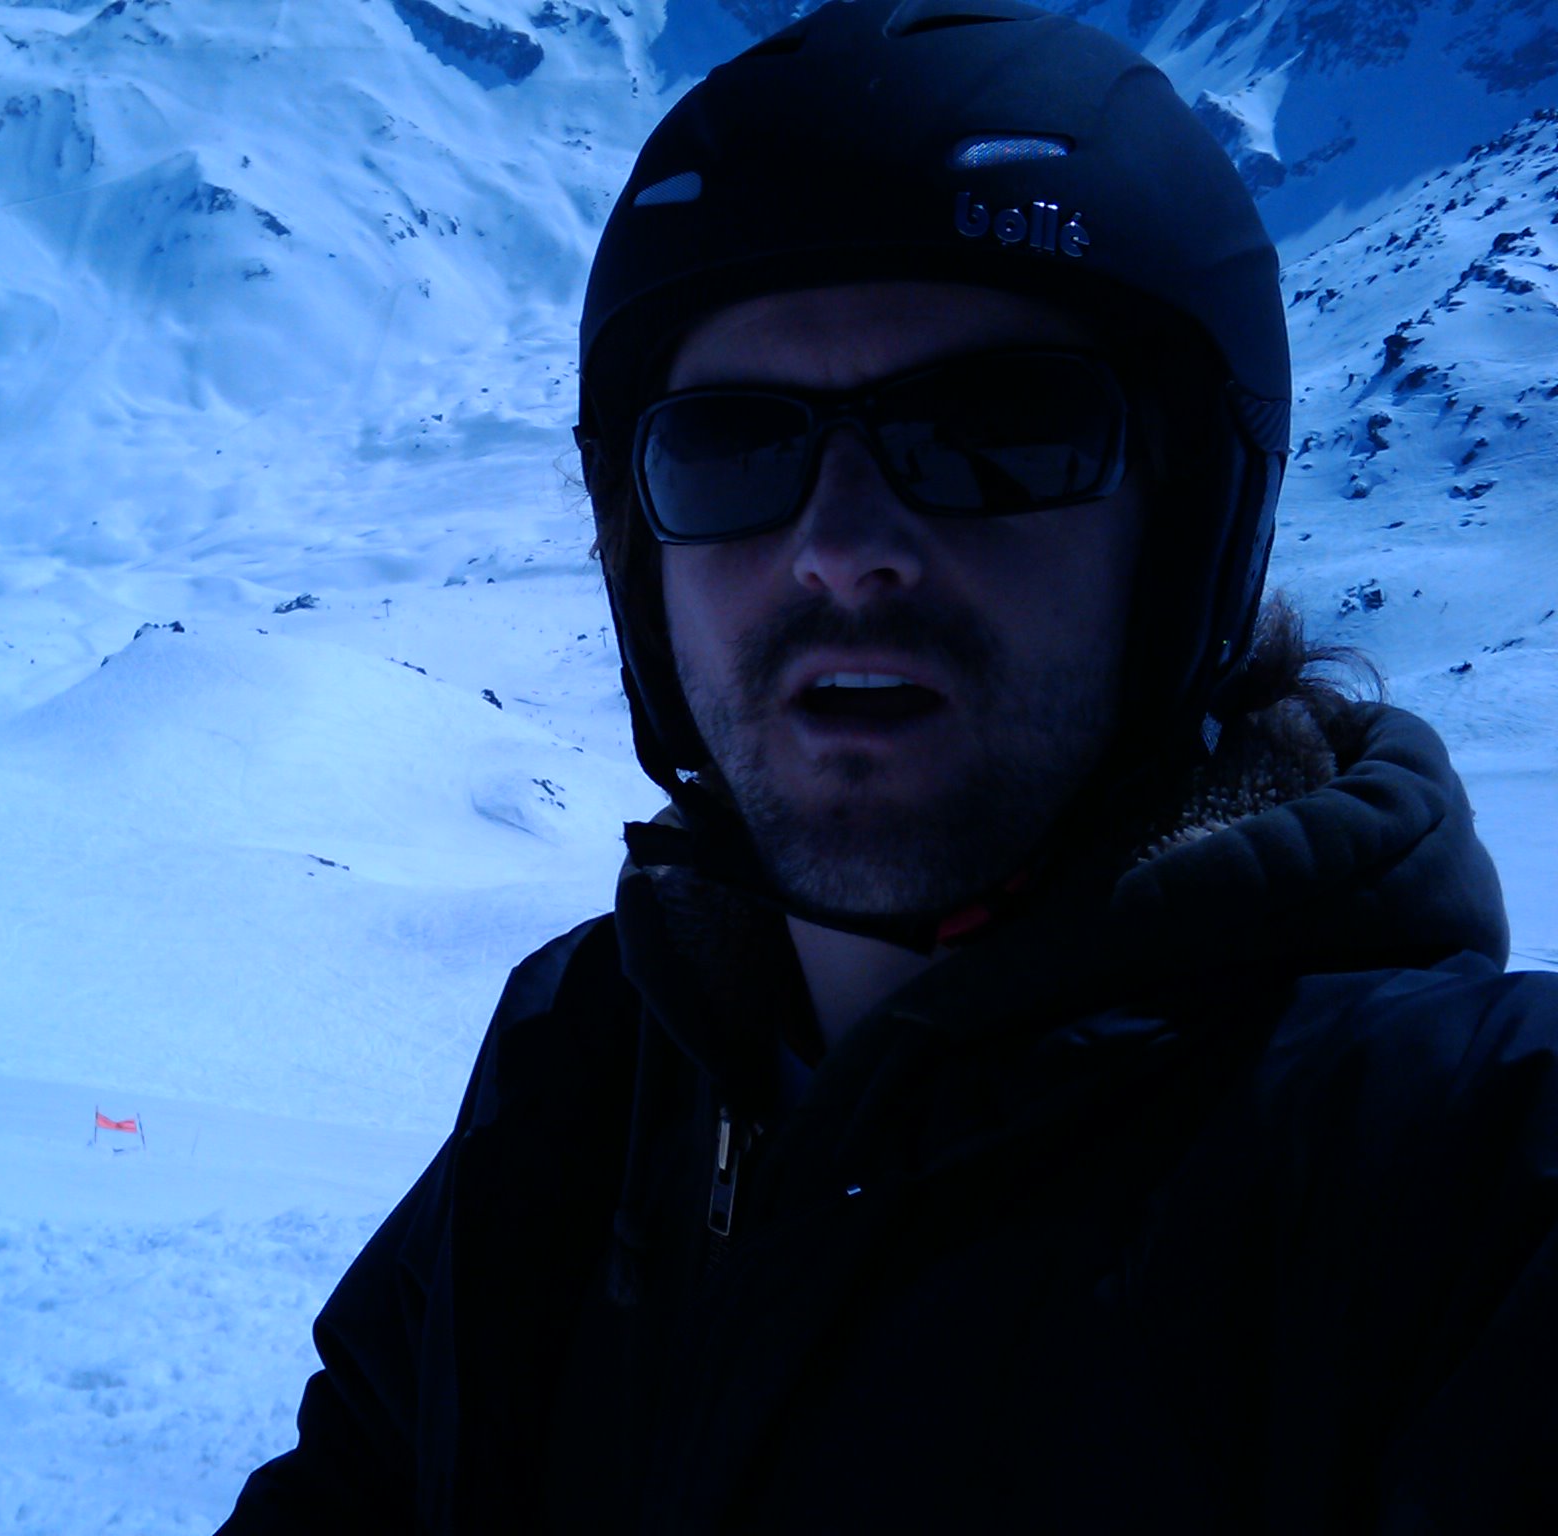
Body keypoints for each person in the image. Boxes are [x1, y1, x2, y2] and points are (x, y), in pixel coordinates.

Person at [223, 2, 1558, 1528]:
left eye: (998, 430)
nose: (843, 548)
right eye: (732, 447)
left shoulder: (1456, 1194)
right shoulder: (583, 1078)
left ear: (1187, 526)